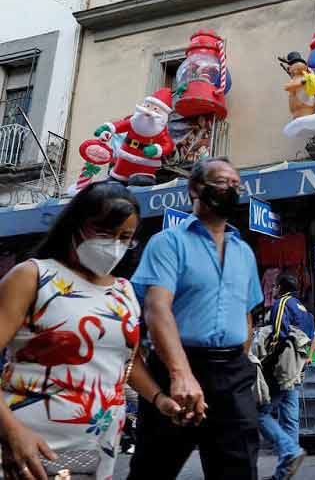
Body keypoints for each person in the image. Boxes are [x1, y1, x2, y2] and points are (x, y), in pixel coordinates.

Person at [0, 182, 182, 480]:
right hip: (32, 445)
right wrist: (12, 432)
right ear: (75, 226)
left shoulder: (123, 291)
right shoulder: (33, 276)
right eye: (104, 233)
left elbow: (126, 361)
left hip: (95, 448)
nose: (114, 245)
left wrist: (160, 398)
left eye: (125, 238)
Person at [128, 158, 262, 480]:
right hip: (178, 367)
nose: (230, 189)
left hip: (232, 376)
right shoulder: (168, 243)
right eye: (220, 182)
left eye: (235, 184)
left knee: (238, 469)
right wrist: (181, 373)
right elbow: (156, 308)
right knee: (154, 467)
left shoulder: (244, 252)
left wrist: (238, 362)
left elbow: (246, 313)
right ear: (194, 189)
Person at [258, 273, 314, 480]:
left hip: (281, 367)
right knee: (290, 418)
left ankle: (289, 451)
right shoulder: (304, 310)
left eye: (273, 287)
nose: (271, 290)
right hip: (297, 369)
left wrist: (266, 362)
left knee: (260, 413)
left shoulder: (282, 303)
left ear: (280, 287)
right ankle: (284, 473)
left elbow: (277, 336)